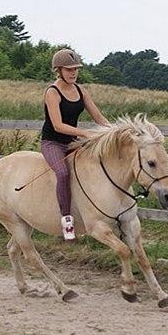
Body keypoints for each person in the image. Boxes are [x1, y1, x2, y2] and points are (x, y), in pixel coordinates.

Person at [41, 48, 110, 241]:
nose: (73, 73)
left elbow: (98, 117)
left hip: (73, 143)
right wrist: (85, 133)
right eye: (69, 69)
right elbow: (58, 125)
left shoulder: (81, 90)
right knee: (63, 173)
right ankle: (67, 221)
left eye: (76, 69)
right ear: (59, 70)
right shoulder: (52, 92)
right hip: (53, 143)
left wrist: (115, 130)